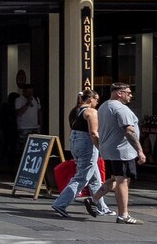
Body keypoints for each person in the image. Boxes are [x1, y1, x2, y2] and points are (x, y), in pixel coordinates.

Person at [51, 86, 113, 219]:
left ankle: (101, 207)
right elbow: (93, 132)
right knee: (82, 177)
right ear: (90, 98)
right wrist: (101, 148)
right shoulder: (91, 112)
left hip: (75, 142)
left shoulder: (77, 111)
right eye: (96, 99)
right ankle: (60, 203)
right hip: (87, 145)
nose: (97, 102)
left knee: (95, 178)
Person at [97, 82, 144, 225]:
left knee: (116, 179)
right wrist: (140, 151)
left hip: (109, 150)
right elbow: (129, 131)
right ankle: (124, 215)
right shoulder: (120, 109)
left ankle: (93, 199)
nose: (131, 95)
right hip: (122, 151)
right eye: (128, 92)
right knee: (123, 181)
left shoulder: (104, 106)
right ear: (119, 93)